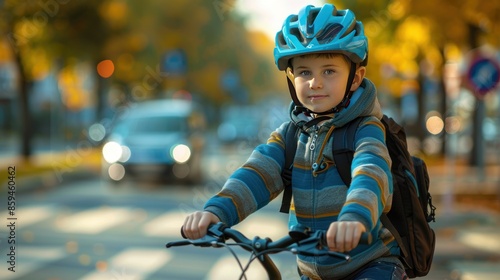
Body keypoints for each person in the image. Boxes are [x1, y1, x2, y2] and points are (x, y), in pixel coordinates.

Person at [182, 3, 408, 280]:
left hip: (369, 265)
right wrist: (216, 213)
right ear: (291, 78)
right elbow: (257, 173)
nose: (315, 83)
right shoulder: (291, 135)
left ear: (355, 78)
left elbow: (370, 173)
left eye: (329, 71)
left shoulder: (365, 129)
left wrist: (355, 217)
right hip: (312, 272)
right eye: (304, 72)